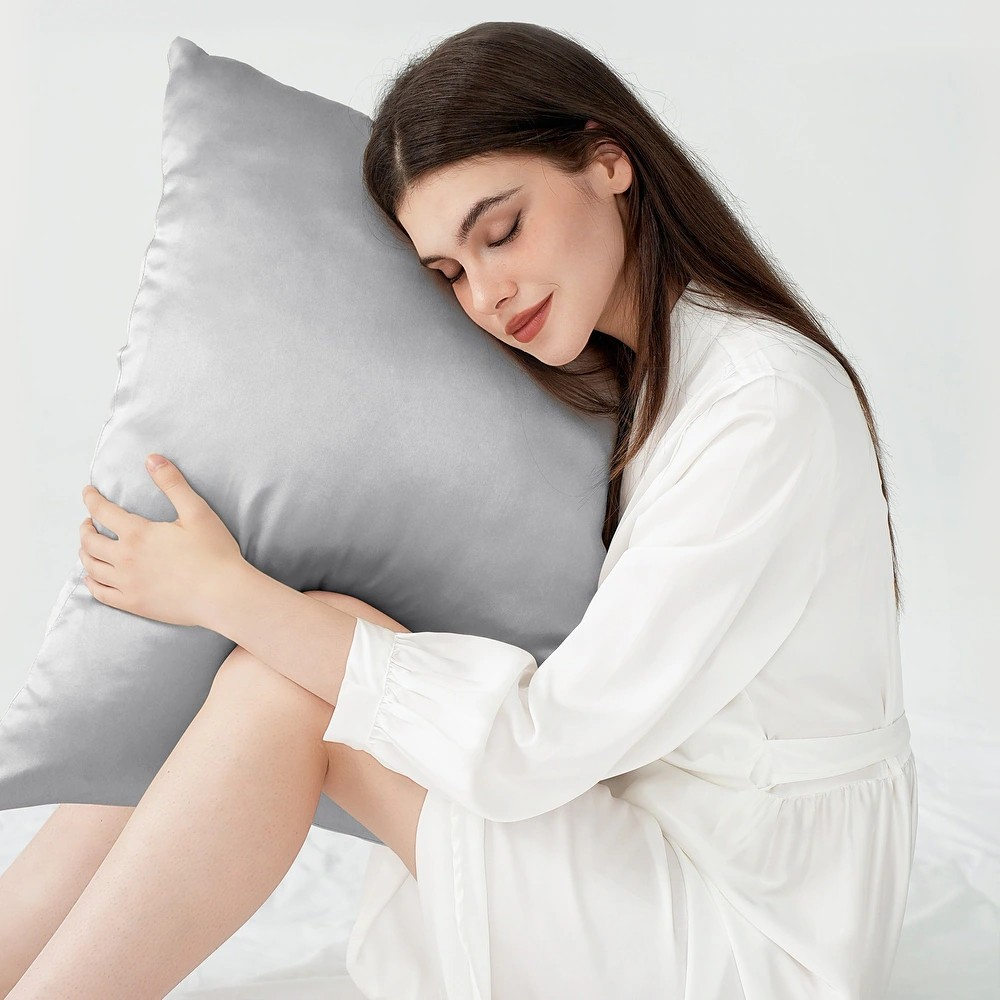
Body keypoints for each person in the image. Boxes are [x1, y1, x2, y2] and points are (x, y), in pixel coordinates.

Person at [1, 20, 917, 1000]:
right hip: (660, 852)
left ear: (609, 161)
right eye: (449, 273)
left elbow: (533, 747)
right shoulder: (654, 378)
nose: (488, 294)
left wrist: (227, 594)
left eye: (501, 231)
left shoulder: (759, 404)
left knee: (284, 674)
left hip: (744, 935)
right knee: (281, 653)